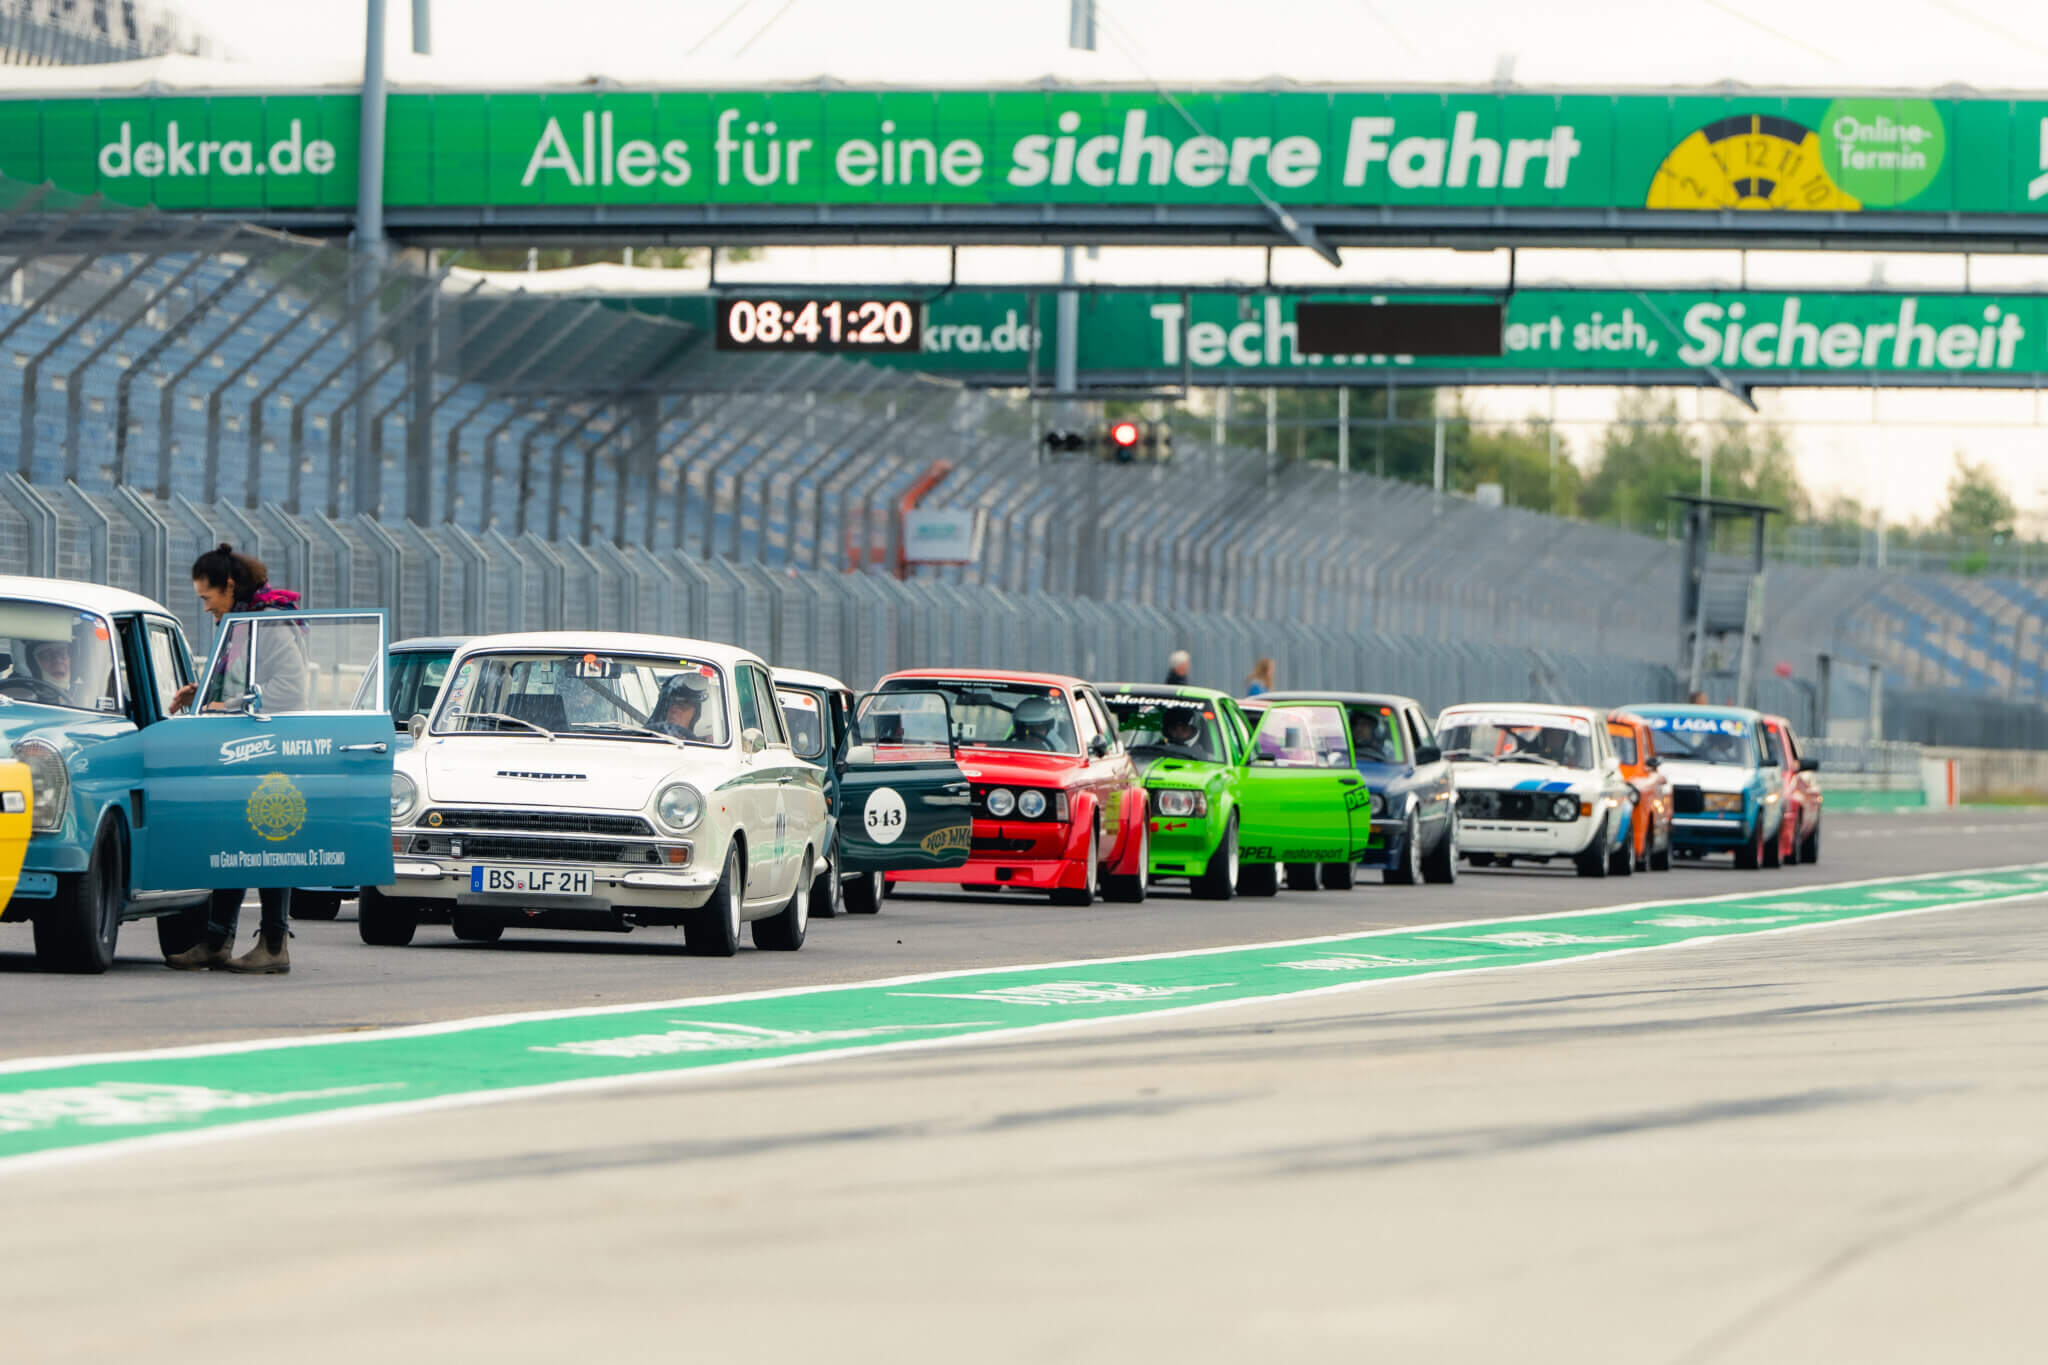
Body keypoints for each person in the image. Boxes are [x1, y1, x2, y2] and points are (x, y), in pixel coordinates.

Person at [165, 544, 303, 976]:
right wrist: (202, 693)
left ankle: (274, 943)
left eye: (208, 598)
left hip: (270, 750)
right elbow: (239, 681)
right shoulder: (240, 623)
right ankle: (216, 939)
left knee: (271, 842)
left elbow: (290, 690)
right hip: (242, 750)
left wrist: (227, 706)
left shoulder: (268, 624)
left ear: (229, 586)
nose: (205, 608)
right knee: (234, 843)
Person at [652, 671, 713, 741]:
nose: (674, 709)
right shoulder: (646, 738)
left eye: (683, 705)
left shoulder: (713, 748)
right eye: (670, 703)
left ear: (697, 715)